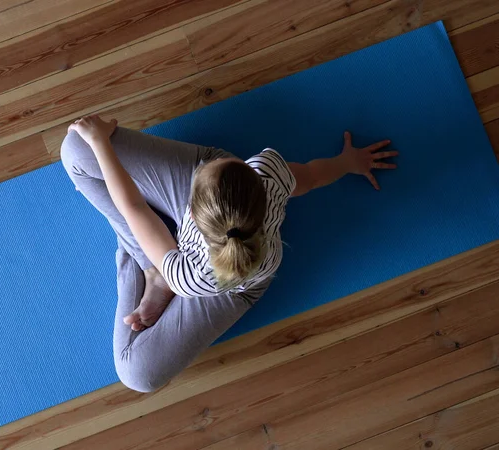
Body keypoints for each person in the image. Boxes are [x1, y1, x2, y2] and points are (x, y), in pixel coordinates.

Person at [60, 115, 397, 392]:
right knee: (77, 147)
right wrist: (347, 162)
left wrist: (102, 143)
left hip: (212, 276)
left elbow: (133, 207)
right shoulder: (266, 172)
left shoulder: (188, 276)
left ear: (188, 215)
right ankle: (152, 266)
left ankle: (150, 267)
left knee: (137, 374)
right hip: (218, 230)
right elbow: (309, 175)